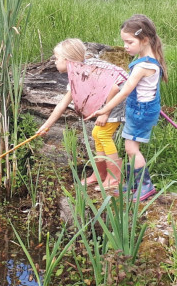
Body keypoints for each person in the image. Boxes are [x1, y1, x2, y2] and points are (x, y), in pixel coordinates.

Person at [88, 14, 167, 202]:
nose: (125, 46)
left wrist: (104, 109)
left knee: (132, 149)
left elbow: (124, 93)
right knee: (130, 147)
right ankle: (133, 184)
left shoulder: (144, 65)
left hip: (141, 111)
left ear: (145, 39)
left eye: (129, 42)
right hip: (139, 109)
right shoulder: (147, 59)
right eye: (124, 41)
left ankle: (144, 187)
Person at [36, 38, 128, 190]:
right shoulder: (77, 72)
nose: (54, 62)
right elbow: (62, 104)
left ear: (66, 60)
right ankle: (100, 174)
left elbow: (114, 88)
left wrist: (105, 113)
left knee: (103, 135)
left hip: (121, 97)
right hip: (112, 98)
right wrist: (46, 126)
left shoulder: (87, 71)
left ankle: (114, 179)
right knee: (97, 133)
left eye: (56, 58)